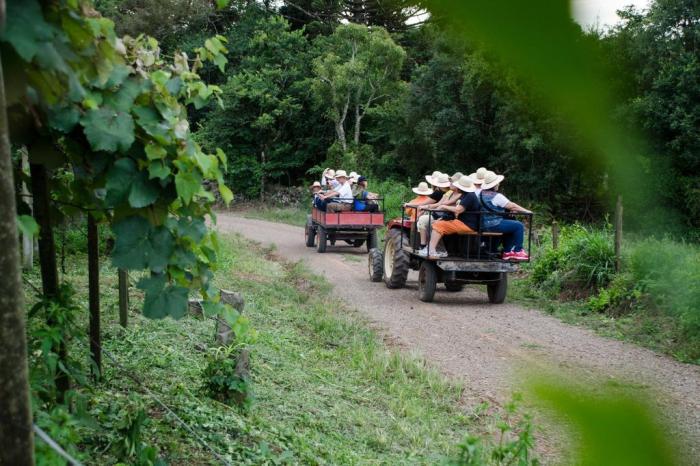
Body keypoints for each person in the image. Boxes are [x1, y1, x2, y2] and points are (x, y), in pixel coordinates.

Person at [418, 176, 480, 258]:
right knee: (437, 223)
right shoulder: (465, 195)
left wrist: (444, 207)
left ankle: (431, 250)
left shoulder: (469, 196)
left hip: (467, 224)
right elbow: (453, 207)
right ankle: (434, 249)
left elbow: (458, 210)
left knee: (439, 225)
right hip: (462, 222)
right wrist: (444, 217)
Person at [478, 171, 532, 261]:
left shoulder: (480, 194)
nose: (498, 185)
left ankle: (507, 252)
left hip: (483, 224)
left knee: (511, 226)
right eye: (497, 183)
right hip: (494, 224)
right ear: (495, 185)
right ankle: (518, 251)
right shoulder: (497, 196)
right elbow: (512, 205)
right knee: (518, 225)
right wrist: (527, 211)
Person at [415, 172, 461, 249]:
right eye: (450, 182)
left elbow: (445, 205)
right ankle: (423, 245)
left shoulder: (461, 194)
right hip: (442, 214)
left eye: (452, 182)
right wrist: (430, 208)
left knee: (434, 223)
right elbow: (440, 204)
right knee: (423, 219)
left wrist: (427, 207)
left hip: (450, 216)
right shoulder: (449, 192)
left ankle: (437, 248)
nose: (450, 183)